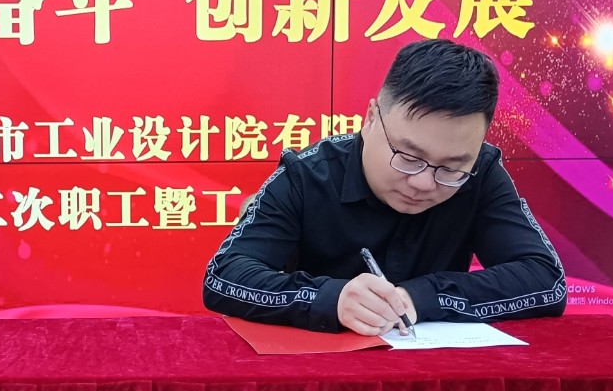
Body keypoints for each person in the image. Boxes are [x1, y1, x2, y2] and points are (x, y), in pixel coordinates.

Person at [203, 38, 566, 336]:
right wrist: (331, 298)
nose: (423, 182)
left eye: (451, 168)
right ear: (371, 118)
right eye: (408, 156)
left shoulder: (481, 173)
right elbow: (224, 276)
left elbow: (546, 280)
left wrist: (422, 296)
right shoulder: (306, 175)